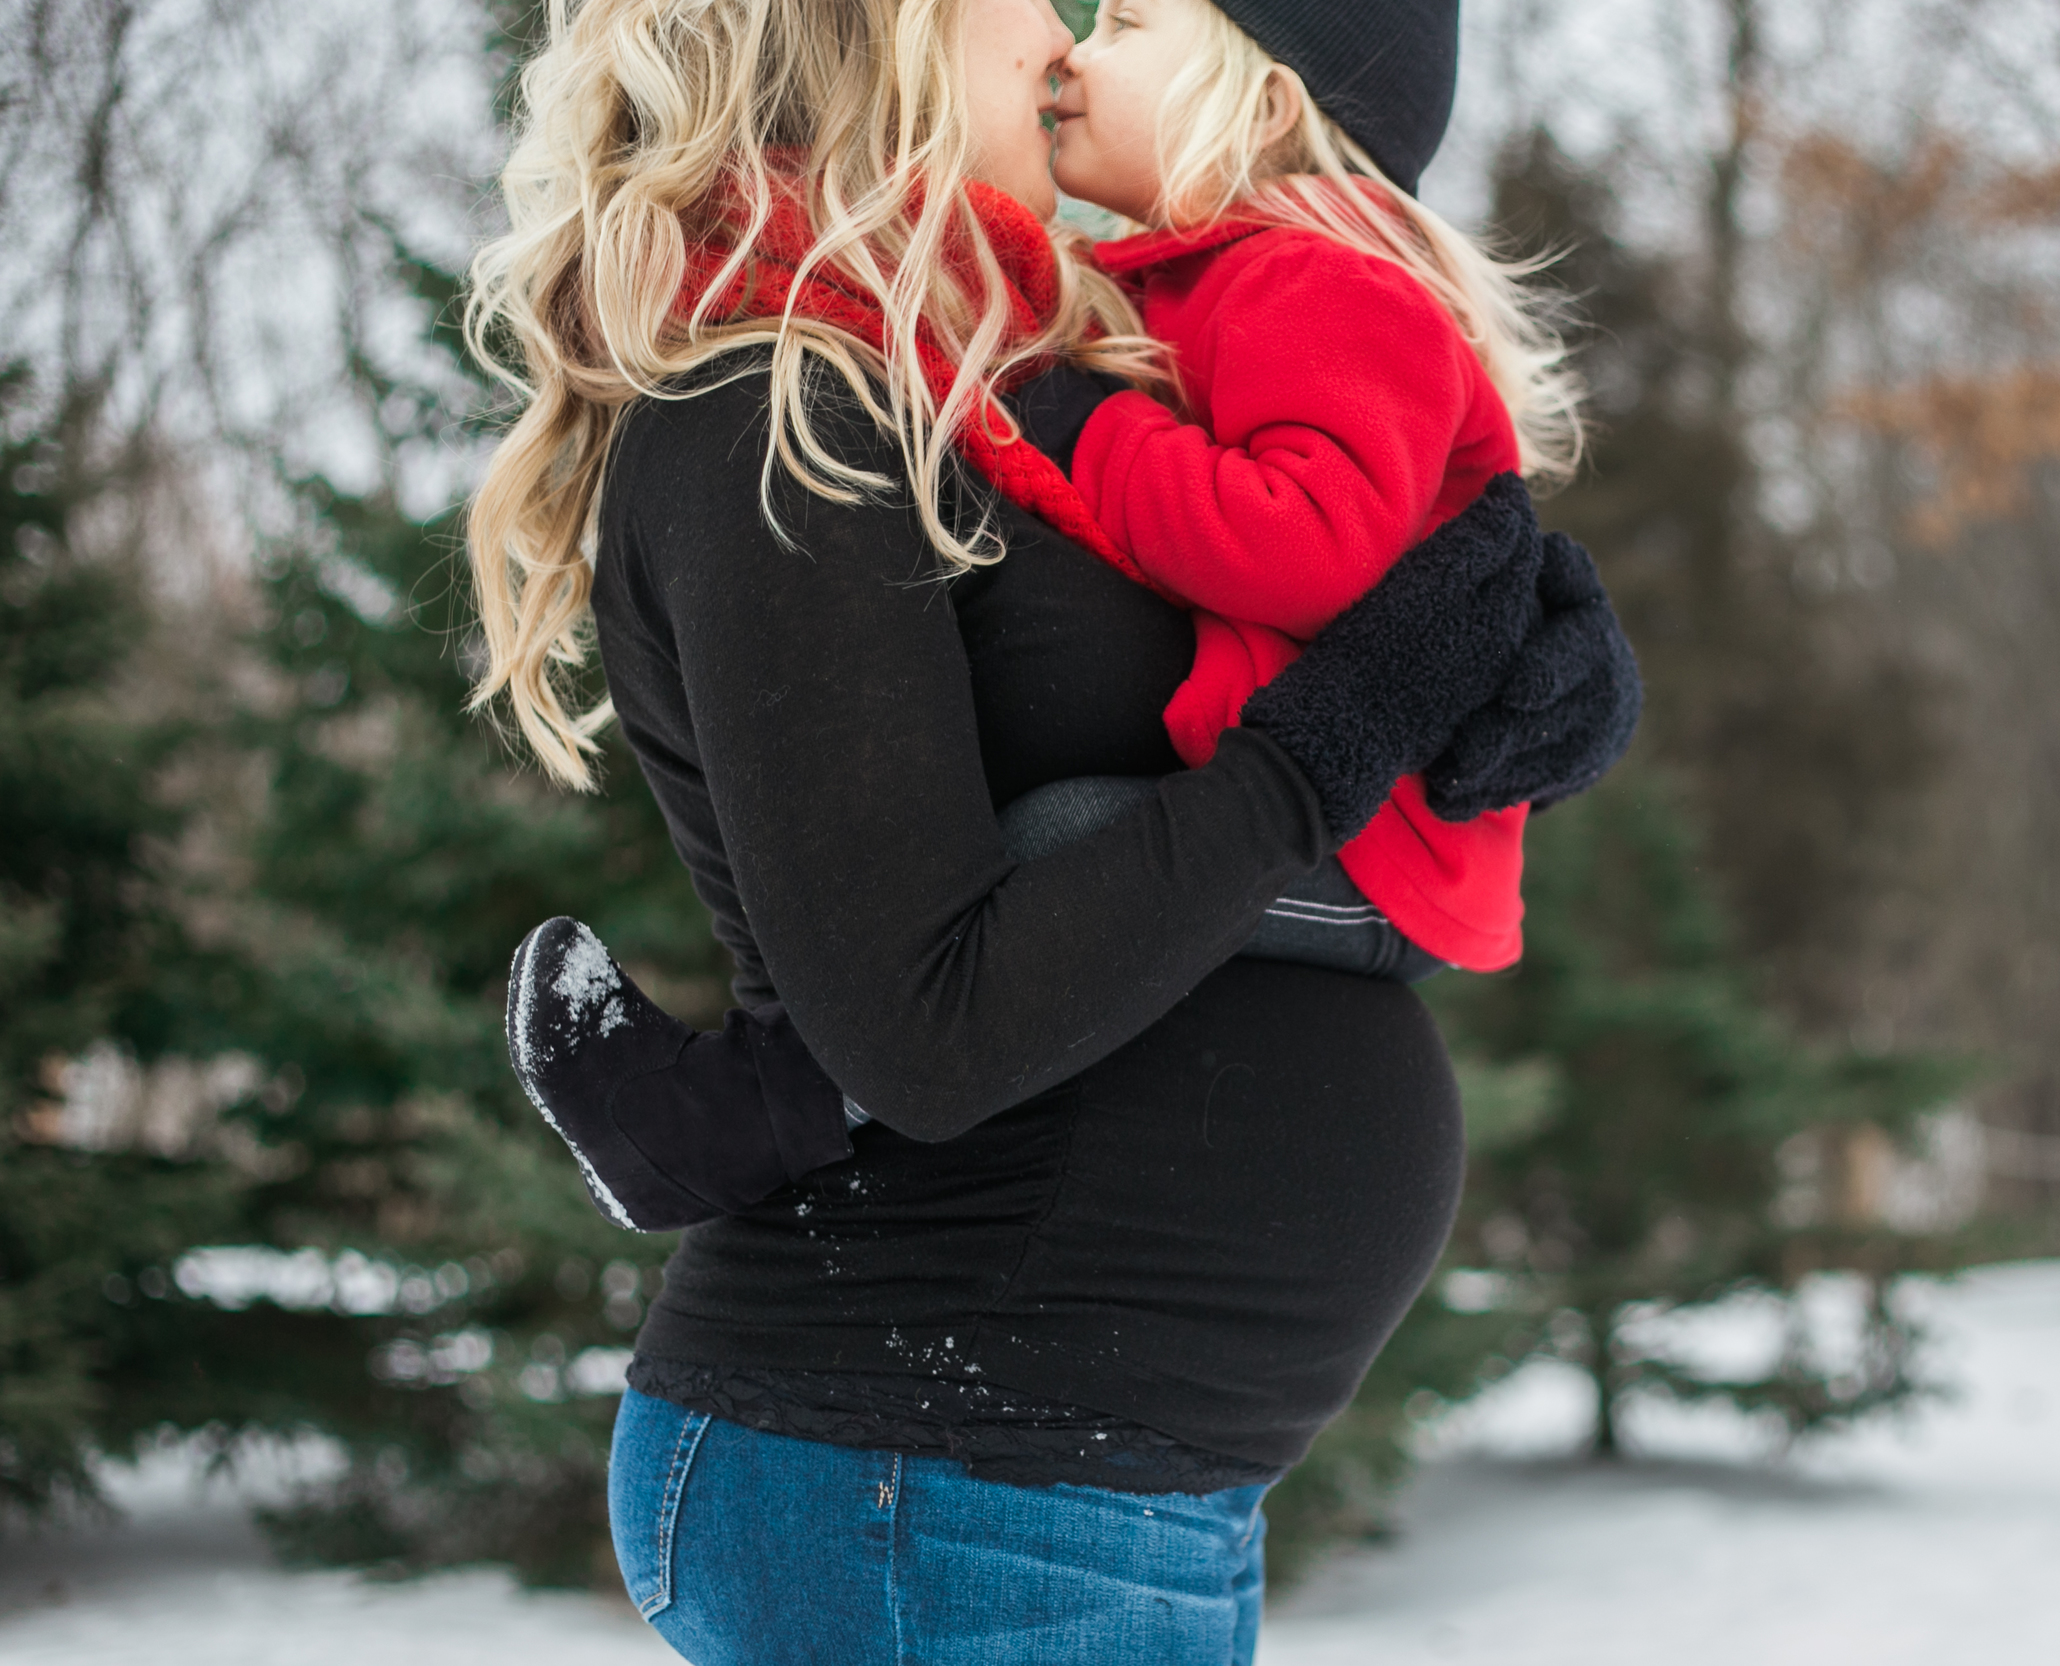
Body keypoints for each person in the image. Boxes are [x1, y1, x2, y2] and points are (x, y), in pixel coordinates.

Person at [462, 1, 1635, 1662]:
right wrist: (1333, 745)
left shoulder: (1004, 368)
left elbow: (1280, 580)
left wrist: (1526, 649)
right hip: (926, 1474)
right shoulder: (775, 408)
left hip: (1068, 1490)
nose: (1066, 30)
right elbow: (925, 1024)